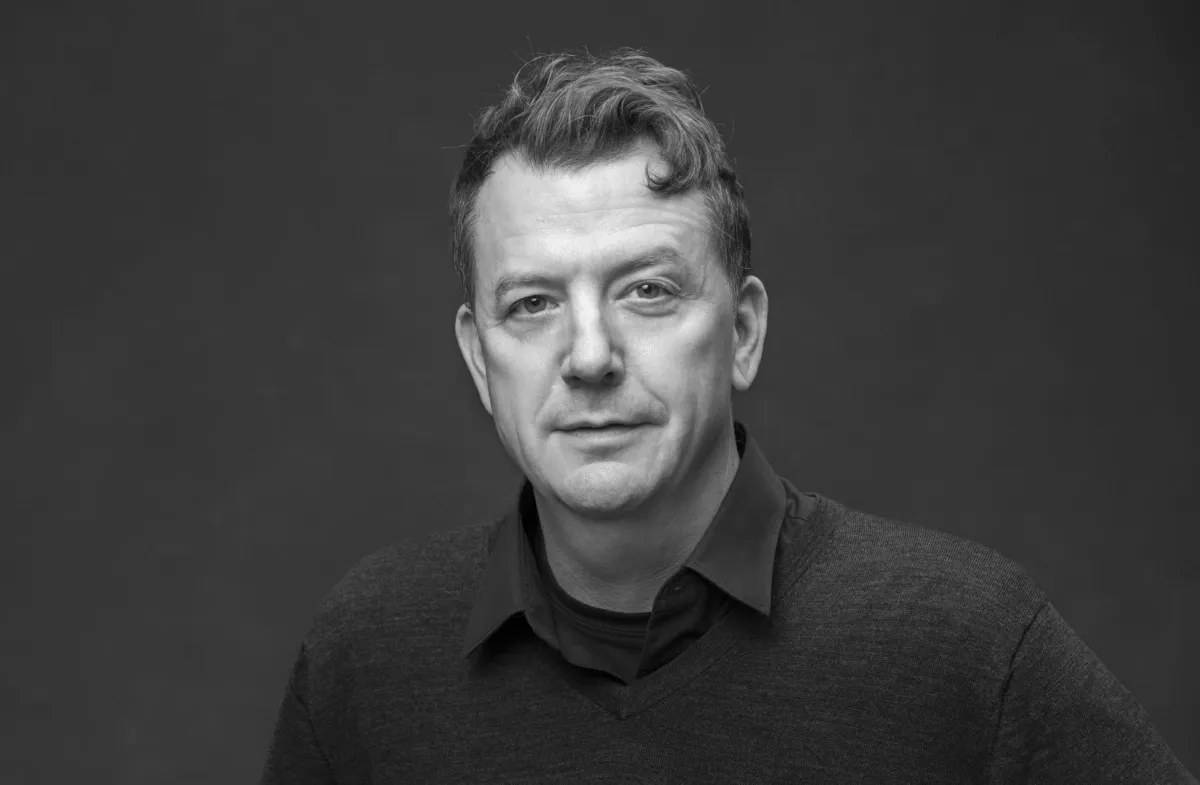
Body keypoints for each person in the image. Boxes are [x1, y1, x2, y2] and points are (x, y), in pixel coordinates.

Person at [261, 48, 1195, 783]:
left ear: (742, 330)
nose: (589, 356)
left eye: (649, 290)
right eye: (534, 304)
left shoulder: (962, 644)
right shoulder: (368, 657)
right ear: (479, 356)